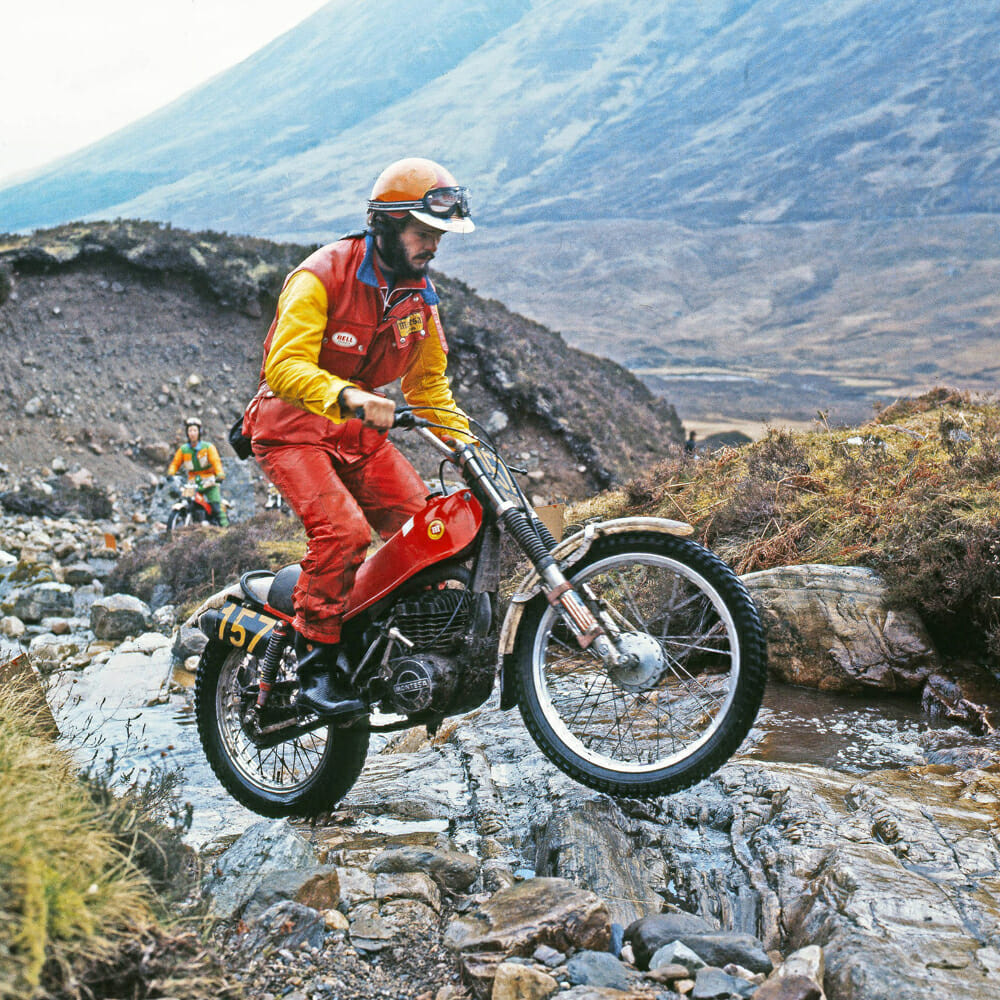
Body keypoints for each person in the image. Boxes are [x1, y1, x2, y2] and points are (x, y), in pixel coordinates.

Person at [242, 156, 474, 715]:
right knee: (343, 535)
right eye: (425, 233)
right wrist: (352, 398)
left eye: (440, 235)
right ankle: (316, 663)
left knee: (426, 533)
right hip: (293, 431)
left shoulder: (419, 299)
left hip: (360, 439)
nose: (434, 246)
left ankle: (392, 649)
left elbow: (430, 392)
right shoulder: (320, 275)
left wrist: (469, 451)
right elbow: (285, 367)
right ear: (388, 225)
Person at [166, 416, 230, 525]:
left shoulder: (208, 447)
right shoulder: (183, 449)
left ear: (199, 432)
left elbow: (216, 462)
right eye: (190, 430)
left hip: (209, 481)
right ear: (187, 433)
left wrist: (220, 474)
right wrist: (171, 474)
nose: (192, 433)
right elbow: (175, 463)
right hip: (192, 482)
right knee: (186, 501)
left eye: (194, 430)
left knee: (216, 507)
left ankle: (226, 531)